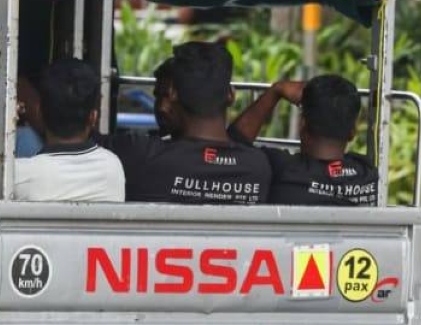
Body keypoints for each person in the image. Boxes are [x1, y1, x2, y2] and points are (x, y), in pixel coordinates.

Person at [103, 42, 271, 204]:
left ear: (172, 93)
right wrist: (274, 93)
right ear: (231, 96)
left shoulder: (140, 153)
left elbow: (79, 139)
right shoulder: (259, 166)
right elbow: (231, 146)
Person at [230, 74, 379, 206]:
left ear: (302, 125)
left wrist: (276, 91)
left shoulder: (279, 169)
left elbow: (233, 144)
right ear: (352, 132)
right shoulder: (367, 175)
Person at [14, 58, 124, 202]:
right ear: (93, 117)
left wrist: (8, 128)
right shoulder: (113, 168)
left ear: (39, 111)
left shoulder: (17, 176)